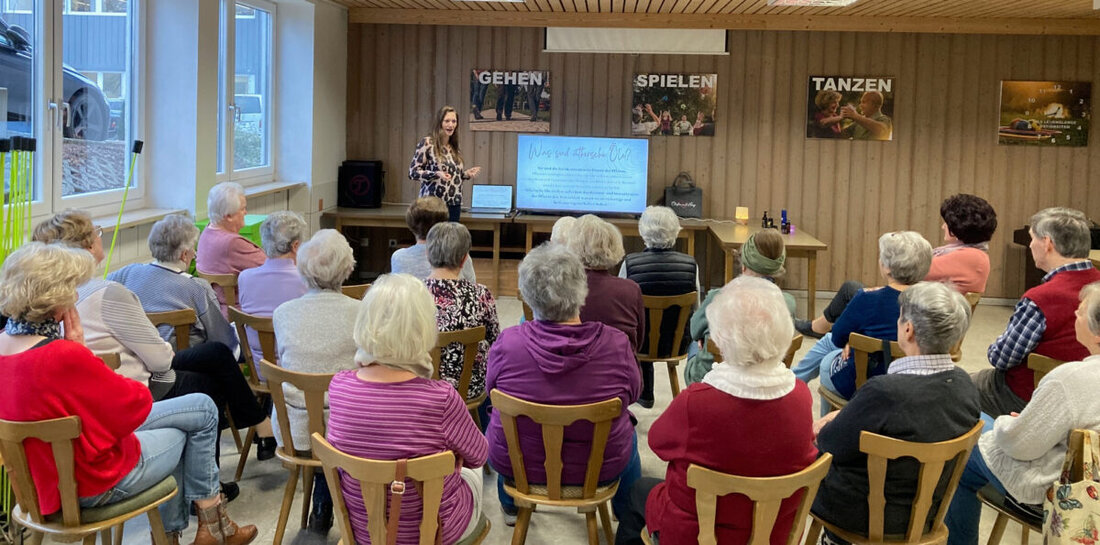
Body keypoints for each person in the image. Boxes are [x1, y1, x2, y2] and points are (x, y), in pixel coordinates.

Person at [0, 242, 258, 545]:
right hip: (91, 484)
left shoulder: (6, 345)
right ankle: (202, 529)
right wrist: (80, 348)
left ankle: (206, 530)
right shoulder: (63, 356)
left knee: (199, 407)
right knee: (191, 424)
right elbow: (136, 405)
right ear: (57, 301)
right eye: (72, 288)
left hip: (40, 485)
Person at [32, 210, 277, 472]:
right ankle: (211, 480)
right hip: (137, 382)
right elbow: (163, 360)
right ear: (88, 245)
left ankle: (259, 428)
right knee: (213, 373)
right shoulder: (118, 292)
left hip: (106, 380)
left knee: (215, 354)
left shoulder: (122, 275)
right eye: (98, 233)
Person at [614, 276, 817, 545]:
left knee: (638, 490)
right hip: (772, 534)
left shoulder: (698, 401)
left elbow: (657, 443)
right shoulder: (800, 395)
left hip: (700, 534)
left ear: (720, 337)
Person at [326, 273, 488, 545]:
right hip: (433, 533)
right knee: (474, 471)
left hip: (362, 531)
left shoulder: (340, 387)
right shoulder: (441, 399)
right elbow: (479, 455)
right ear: (424, 329)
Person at [812, 281, 980, 540]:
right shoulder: (964, 386)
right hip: (926, 515)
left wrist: (834, 421)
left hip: (862, 516)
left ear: (909, 329)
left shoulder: (883, 392)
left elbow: (829, 443)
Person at [486, 244, 642, 523]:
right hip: (598, 469)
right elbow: (634, 393)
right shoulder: (616, 343)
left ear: (526, 294)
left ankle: (511, 506)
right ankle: (626, 514)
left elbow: (491, 392)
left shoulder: (507, 343)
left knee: (503, 420)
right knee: (628, 428)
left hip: (521, 468)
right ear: (582, 292)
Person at [945, 281, 1100, 545]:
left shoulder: (1071, 379)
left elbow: (1020, 446)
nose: (1074, 314)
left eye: (1081, 311)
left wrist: (1012, 423)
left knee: (962, 439)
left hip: (1067, 495)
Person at [795, 194, 997, 338]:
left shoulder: (969, 257)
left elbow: (910, 270)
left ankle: (823, 329)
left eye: (946, 223)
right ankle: (827, 329)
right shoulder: (972, 254)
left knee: (853, 291)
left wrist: (879, 289)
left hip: (921, 321)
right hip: (924, 311)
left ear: (956, 228)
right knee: (858, 292)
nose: (942, 226)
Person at [271, 229, 362, 534]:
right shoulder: (361, 314)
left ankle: (322, 509)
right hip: (347, 432)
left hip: (292, 430)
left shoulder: (282, 313)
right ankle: (349, 509)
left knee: (321, 417)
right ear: (347, 269)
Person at [976, 207, 1100, 417]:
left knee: (952, 387)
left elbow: (1000, 358)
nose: (1031, 244)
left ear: (1047, 243)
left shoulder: (1041, 299)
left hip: (1032, 397)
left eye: (1032, 238)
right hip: (1089, 399)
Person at [792, 231, 932, 409]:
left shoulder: (867, 298)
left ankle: (823, 423)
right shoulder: (933, 301)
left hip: (864, 382)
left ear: (887, 267)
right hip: (914, 385)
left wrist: (853, 341)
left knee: (828, 355)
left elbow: (837, 338)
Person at [110, 214, 239, 353]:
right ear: (184, 255)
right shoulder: (197, 288)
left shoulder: (126, 273)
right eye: (192, 250)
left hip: (137, 362)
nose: (194, 254)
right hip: (184, 365)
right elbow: (224, 341)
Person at [685, 229, 797, 384]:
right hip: (764, 382)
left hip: (711, 379)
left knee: (694, 342)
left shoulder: (718, 297)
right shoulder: (787, 303)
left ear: (744, 265)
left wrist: (706, 338)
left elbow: (694, 329)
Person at [619, 206, 699, 407]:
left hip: (640, 343)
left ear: (642, 231)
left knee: (637, 325)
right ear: (676, 231)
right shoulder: (691, 265)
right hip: (677, 342)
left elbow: (622, 309)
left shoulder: (630, 264)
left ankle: (645, 392)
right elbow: (695, 308)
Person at [425, 222, 499, 412]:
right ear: (464, 259)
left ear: (427, 254)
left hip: (420, 386)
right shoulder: (481, 294)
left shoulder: (409, 292)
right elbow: (495, 341)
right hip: (469, 388)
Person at [237, 211, 308, 365]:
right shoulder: (306, 280)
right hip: (294, 369)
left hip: (259, 367)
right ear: (295, 246)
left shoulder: (244, 278)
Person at [196, 181, 265, 318]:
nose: (246, 212)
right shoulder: (231, 243)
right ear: (228, 216)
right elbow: (272, 266)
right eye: (242, 209)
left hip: (216, 310)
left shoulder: (208, 232)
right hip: (240, 314)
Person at [409, 106, 482, 223]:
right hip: (433, 205)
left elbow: (450, 176)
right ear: (440, 123)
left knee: (451, 240)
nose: (451, 125)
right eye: (447, 121)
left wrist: (465, 174)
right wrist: (436, 174)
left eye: (454, 121)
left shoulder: (453, 147)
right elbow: (413, 172)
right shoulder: (428, 143)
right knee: (435, 240)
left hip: (454, 203)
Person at [390, 196, 476, 282]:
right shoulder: (458, 256)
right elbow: (472, 286)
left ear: (410, 224)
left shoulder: (398, 257)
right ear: (443, 224)